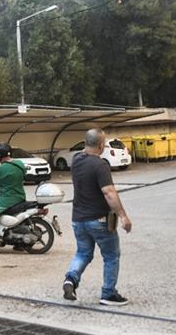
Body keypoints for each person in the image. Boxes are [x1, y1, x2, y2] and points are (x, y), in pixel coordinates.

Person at [62, 128, 132, 307]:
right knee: (111, 256)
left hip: (78, 219)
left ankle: (71, 278)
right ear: (101, 145)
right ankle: (108, 293)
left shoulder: (76, 160)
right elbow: (109, 192)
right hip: (98, 220)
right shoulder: (100, 165)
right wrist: (123, 216)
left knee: (83, 253)